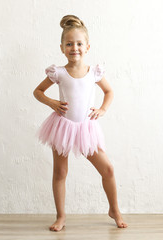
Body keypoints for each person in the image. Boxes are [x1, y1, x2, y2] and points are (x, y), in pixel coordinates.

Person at [33, 15, 128, 232]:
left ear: (87, 47)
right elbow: (37, 92)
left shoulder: (94, 72)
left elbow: (109, 91)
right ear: (62, 47)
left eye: (78, 43)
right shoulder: (58, 72)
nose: (74, 47)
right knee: (60, 173)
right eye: (69, 44)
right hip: (63, 127)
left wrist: (102, 109)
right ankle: (61, 216)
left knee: (108, 169)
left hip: (86, 129)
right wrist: (52, 103)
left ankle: (114, 209)